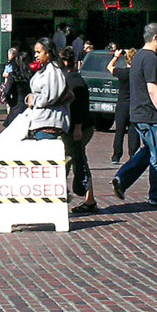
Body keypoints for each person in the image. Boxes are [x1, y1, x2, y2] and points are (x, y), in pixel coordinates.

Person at [112, 22, 157, 208]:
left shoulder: (138, 57)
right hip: (150, 115)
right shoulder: (151, 59)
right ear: (156, 37)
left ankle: (122, 179)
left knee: (148, 151)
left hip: (138, 114)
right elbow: (152, 89)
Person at [61, 48, 97, 214]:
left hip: (78, 128)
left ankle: (81, 196)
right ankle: (87, 198)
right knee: (77, 160)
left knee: (75, 161)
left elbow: (79, 107)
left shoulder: (73, 81)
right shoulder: (72, 78)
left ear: (66, 63)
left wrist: (77, 127)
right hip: (80, 127)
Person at [24, 39, 70, 139]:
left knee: (44, 153)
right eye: (35, 52)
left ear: (48, 53)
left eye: (39, 52)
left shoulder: (53, 70)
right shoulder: (44, 68)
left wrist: (34, 100)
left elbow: (50, 96)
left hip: (49, 122)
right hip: (41, 121)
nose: (36, 55)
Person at [108, 48, 139, 164]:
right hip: (134, 104)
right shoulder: (137, 73)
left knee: (119, 131)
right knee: (133, 131)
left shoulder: (122, 72)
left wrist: (116, 56)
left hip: (122, 104)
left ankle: (116, 156)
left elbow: (109, 67)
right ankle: (133, 155)